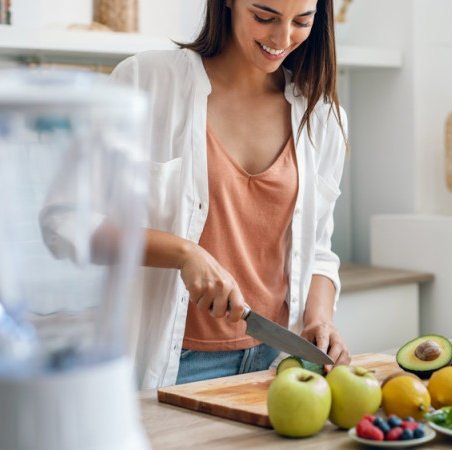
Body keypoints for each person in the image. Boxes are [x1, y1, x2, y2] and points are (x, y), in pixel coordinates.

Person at [110, 0, 351, 389]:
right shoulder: (145, 82)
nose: (282, 38)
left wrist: (320, 318)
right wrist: (184, 253)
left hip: (277, 363)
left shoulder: (321, 114)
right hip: (178, 364)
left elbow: (319, 250)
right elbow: (77, 227)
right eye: (264, 16)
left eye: (301, 21)